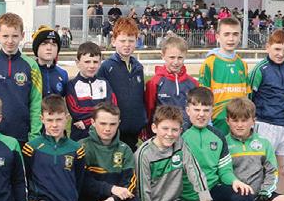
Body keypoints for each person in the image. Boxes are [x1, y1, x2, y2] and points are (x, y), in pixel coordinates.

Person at [179, 87, 258, 201]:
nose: (201, 114)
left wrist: (235, 181)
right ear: (188, 110)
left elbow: (224, 170)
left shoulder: (218, 136)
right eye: (196, 109)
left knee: (243, 196)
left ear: (212, 111)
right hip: (188, 195)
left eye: (206, 110)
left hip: (212, 191)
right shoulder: (179, 135)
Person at [0, 12, 42, 143]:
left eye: (15, 36)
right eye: (5, 36)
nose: (10, 41)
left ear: (22, 36)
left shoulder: (31, 66)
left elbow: (36, 103)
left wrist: (34, 135)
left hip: (22, 135)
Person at [248, 29, 284, 194]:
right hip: (266, 124)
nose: (281, 54)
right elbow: (249, 98)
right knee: (262, 169)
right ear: (267, 47)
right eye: (277, 49)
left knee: (283, 170)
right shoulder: (260, 70)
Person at [98, 16, 147, 149]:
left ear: (136, 41)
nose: (127, 44)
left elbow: (140, 98)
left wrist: (142, 121)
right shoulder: (106, 67)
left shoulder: (138, 67)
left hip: (134, 130)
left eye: (131, 41)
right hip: (113, 131)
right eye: (123, 40)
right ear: (114, 41)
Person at [198, 16, 249, 134]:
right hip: (217, 121)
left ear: (240, 36)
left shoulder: (242, 64)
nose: (231, 39)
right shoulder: (209, 63)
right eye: (226, 34)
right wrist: (207, 121)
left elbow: (246, 96)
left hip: (239, 121)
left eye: (235, 34)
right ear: (217, 37)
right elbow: (203, 97)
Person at [144, 35, 198, 129]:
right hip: (164, 134)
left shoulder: (193, 83)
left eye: (180, 58)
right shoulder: (155, 82)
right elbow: (149, 111)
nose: (176, 62)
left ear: (185, 56)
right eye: (172, 57)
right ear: (163, 56)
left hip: (187, 133)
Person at [65, 42, 112, 141]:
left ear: (100, 63)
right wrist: (101, 110)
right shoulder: (72, 85)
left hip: (102, 138)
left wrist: (86, 122)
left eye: (95, 62)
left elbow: (111, 109)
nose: (91, 66)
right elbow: (76, 112)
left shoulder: (104, 83)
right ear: (77, 63)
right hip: (80, 137)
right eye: (87, 62)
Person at [32, 25, 69, 98]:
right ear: (36, 48)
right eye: (44, 43)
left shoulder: (63, 74)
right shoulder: (29, 72)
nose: (49, 48)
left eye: (53, 44)